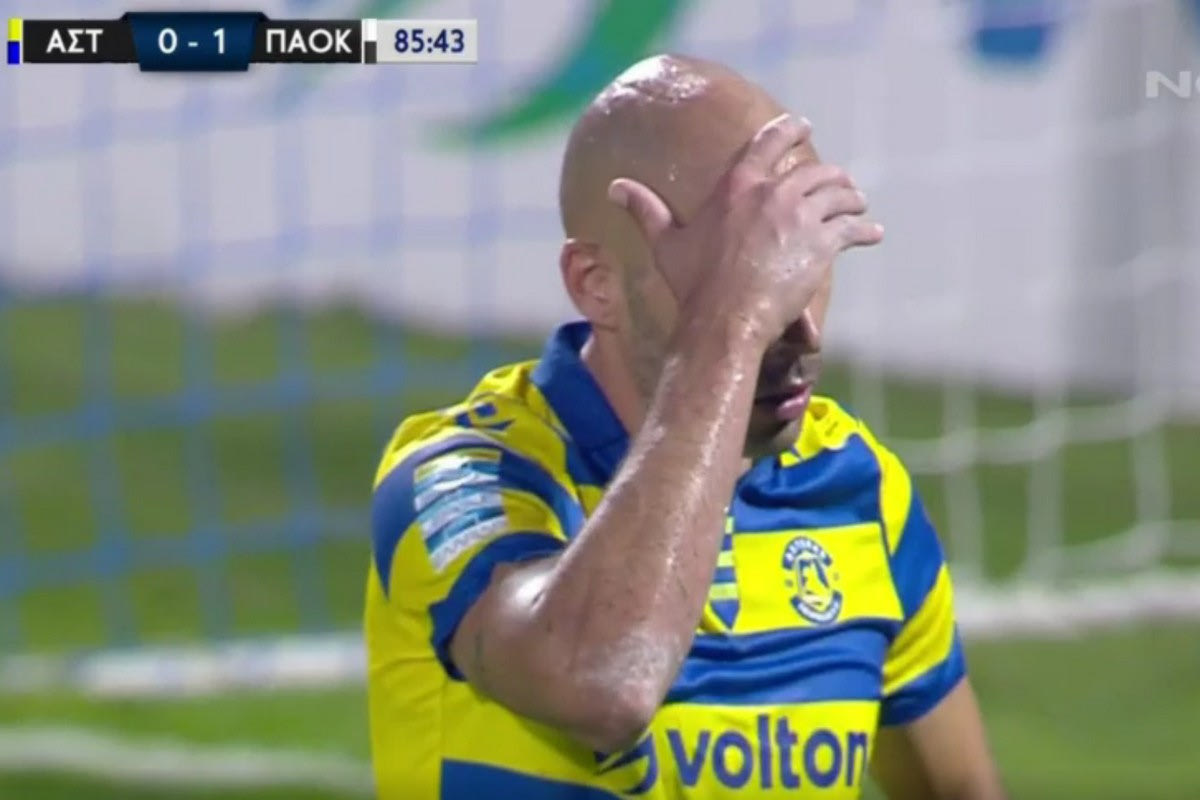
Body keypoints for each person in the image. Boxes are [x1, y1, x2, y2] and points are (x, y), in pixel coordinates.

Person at [365, 54, 1006, 799]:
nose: (795, 329)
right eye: (736, 277)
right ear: (596, 285)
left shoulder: (861, 490)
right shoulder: (466, 474)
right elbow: (600, 682)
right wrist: (730, 325)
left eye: (801, 270)